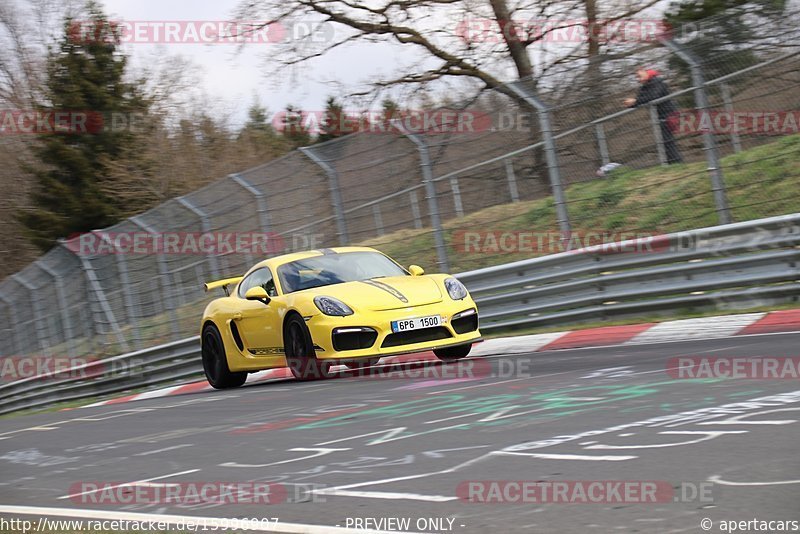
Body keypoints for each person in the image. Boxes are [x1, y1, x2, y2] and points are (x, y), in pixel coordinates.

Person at [624, 68, 683, 164]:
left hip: (668, 114)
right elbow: (641, 99)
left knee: (667, 140)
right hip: (660, 116)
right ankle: (672, 162)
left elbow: (653, 97)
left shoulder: (657, 82)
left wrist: (635, 101)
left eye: (639, 76)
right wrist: (631, 104)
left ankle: (676, 162)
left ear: (645, 72)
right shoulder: (645, 86)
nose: (638, 79)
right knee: (664, 141)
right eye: (637, 78)